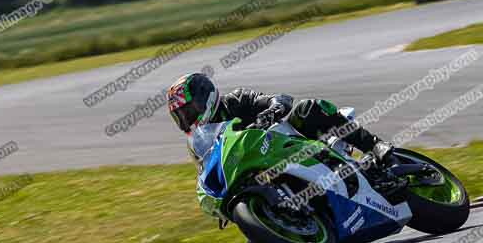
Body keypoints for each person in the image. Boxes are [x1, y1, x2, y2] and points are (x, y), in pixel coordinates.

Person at [166, 72, 396, 165]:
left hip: (286, 142)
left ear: (204, 97)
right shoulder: (200, 143)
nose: (188, 119)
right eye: (181, 117)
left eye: (188, 111)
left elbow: (280, 99)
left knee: (308, 108)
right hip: (260, 168)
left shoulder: (236, 100)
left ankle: (375, 145)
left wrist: (272, 110)